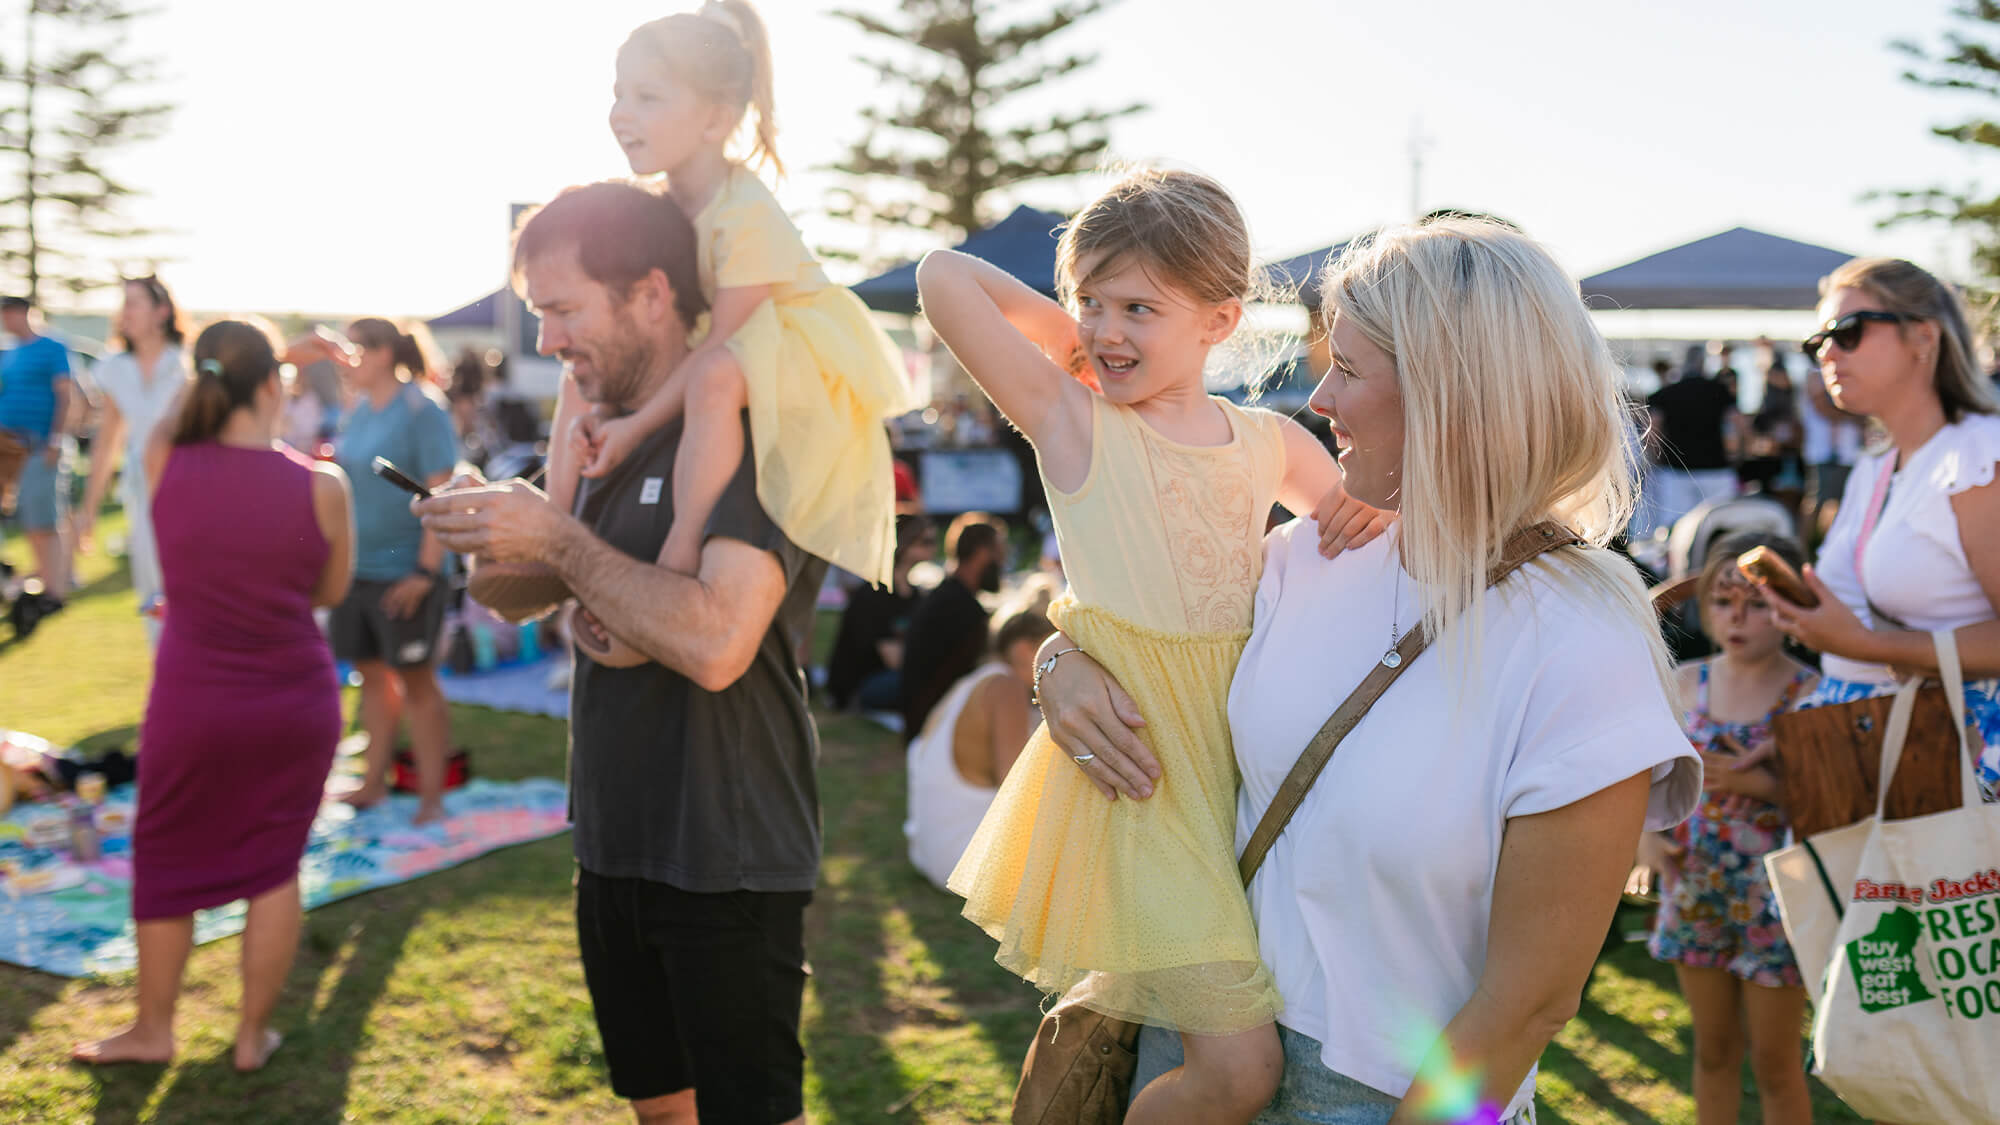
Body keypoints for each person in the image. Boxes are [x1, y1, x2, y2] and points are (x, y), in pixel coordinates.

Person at [1033, 218, 1702, 1123]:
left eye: (1346, 368)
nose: (1317, 398)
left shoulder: (1582, 632)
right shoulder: (1302, 558)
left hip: (1392, 1098)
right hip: (1197, 1048)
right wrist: (1059, 659)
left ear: (1448, 392)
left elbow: (1530, 1003)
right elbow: (1155, 640)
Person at [920, 167, 1385, 1124]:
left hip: (1244, 771)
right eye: (1090, 299)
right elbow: (941, 276)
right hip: (1146, 777)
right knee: (1238, 1070)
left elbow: (1367, 528)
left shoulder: (1269, 443)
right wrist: (1071, 338)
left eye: (1140, 306)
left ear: (1219, 321)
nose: (1108, 328)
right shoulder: (1072, 420)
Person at [416, 180, 823, 1125]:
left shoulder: (748, 427)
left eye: (562, 311)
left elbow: (718, 642)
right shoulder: (591, 427)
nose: (548, 341)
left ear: (649, 293)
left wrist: (556, 540)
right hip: (612, 838)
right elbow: (527, 593)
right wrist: (486, 531)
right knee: (659, 1107)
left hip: (726, 852)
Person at [543, 0, 915, 594]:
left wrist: (633, 428)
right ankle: (552, 534)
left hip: (787, 349)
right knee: (579, 376)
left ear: (715, 122)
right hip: (719, 345)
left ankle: (683, 543)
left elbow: (724, 338)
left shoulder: (744, 213)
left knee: (714, 374)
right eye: (620, 94)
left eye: (648, 97)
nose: (621, 113)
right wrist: (607, 405)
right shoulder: (658, 208)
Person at [71, 319, 355, 1072]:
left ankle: (153, 1028)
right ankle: (250, 1037)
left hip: (194, 701)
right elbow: (329, 590)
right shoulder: (324, 484)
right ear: (272, 385)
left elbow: (164, 417)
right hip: (295, 702)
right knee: (274, 865)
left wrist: (247, 368)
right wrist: (284, 366)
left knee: (166, 857)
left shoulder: (166, 457)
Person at [1768, 257, 2000, 805]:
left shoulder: (1975, 457)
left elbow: (1867, 642)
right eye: (1817, 341)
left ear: (1923, 336)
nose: (1826, 352)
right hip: (1867, 745)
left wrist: (1868, 645)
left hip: (1957, 760)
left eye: (1847, 332)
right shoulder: (1877, 467)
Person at [1641, 532, 1817, 1125]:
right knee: (1714, 1050)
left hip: (1779, 900)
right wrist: (1646, 839)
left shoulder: (1812, 694)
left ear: (1793, 607)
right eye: (1722, 601)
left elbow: (1832, 807)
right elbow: (1641, 781)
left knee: (1775, 1060)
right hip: (1695, 888)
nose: (1737, 617)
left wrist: (1761, 788)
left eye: (1758, 602)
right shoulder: (1685, 684)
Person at [328, 317, 460, 824]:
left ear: (383, 353)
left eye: (353, 348)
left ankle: (432, 798)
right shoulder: (359, 408)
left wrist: (424, 575)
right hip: (357, 570)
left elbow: (441, 495)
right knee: (373, 676)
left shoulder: (422, 409)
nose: (345, 357)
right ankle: (372, 784)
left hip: (409, 573)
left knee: (417, 681)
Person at [904, 607, 1054, 890]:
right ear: (1024, 651)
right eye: (1053, 653)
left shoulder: (972, 681)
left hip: (930, 850)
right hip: (962, 860)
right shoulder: (1005, 686)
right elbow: (1020, 789)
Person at [77, 276, 188, 643]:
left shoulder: (187, 363)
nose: (125, 312)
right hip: (141, 490)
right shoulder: (114, 367)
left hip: (188, 484)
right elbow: (107, 441)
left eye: (134, 302)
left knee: (189, 584)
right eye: (123, 302)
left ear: (162, 311)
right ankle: (166, 675)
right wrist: (88, 510)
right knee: (151, 587)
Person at [899, 512, 1005, 742]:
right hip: (933, 727)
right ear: (981, 554)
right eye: (999, 555)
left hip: (923, 720)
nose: (1003, 563)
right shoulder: (962, 610)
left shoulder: (947, 596)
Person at [0, 295, 75, 607]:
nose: (4, 321)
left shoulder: (53, 347)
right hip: (9, 447)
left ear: (24, 313)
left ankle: (55, 592)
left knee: (43, 521)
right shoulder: (10, 353)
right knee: (29, 521)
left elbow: (65, 395)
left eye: (8, 314)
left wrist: (56, 440)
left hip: (39, 446)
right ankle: (44, 581)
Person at [825, 515, 934, 712]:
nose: (933, 548)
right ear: (903, 544)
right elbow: (893, 658)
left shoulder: (915, 594)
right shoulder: (874, 594)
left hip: (891, 676)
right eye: (926, 542)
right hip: (861, 686)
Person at [1647, 345, 1741, 536]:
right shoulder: (1719, 391)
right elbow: (1736, 426)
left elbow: (1653, 431)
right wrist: (1736, 454)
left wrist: (1655, 460)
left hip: (1676, 470)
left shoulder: (1666, 393)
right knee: (1722, 527)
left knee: (1673, 528)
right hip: (1716, 469)